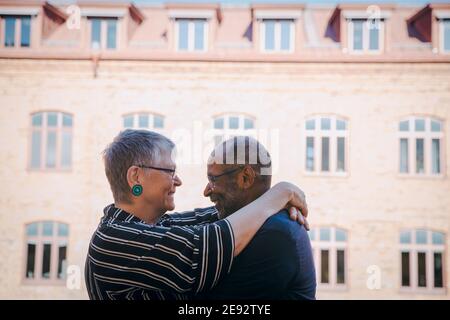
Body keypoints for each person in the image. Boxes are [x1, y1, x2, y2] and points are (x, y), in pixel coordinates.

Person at [85, 129, 309, 300]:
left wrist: (271, 203)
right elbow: (201, 250)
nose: (178, 181)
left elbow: (224, 215)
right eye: (169, 171)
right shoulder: (112, 240)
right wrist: (280, 193)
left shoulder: (152, 225)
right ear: (136, 177)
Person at [198, 136, 316, 300]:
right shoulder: (262, 223)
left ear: (245, 178)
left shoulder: (275, 233)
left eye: (213, 179)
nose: (206, 191)